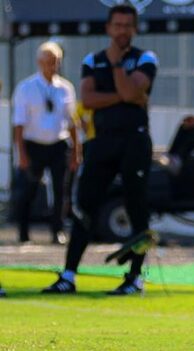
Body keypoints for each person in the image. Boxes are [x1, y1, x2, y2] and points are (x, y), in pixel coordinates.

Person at [42, 3, 158, 295]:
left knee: (136, 209)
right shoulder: (92, 60)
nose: (121, 30)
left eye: (127, 25)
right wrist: (125, 94)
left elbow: (133, 92)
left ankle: (134, 278)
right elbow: (89, 99)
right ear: (108, 28)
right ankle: (68, 275)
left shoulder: (145, 57)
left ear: (134, 28)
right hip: (102, 142)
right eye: (117, 25)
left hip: (135, 140)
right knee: (85, 207)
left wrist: (118, 67)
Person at [12, 41, 80, 245]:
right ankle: (23, 231)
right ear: (39, 62)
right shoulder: (27, 87)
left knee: (61, 189)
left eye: (56, 61)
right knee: (30, 189)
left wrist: (77, 150)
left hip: (58, 144)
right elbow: (18, 125)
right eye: (49, 61)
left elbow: (72, 121)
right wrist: (21, 153)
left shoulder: (65, 88)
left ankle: (57, 230)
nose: (53, 66)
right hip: (34, 144)